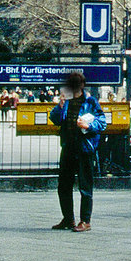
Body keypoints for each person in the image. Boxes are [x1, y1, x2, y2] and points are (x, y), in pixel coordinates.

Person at [49, 71, 105, 232]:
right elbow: (55, 119)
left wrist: (88, 126)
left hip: (84, 149)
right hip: (68, 147)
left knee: (85, 186)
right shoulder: (65, 101)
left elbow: (102, 122)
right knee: (63, 186)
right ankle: (68, 219)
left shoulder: (90, 102)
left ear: (81, 85)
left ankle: (85, 221)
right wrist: (59, 107)